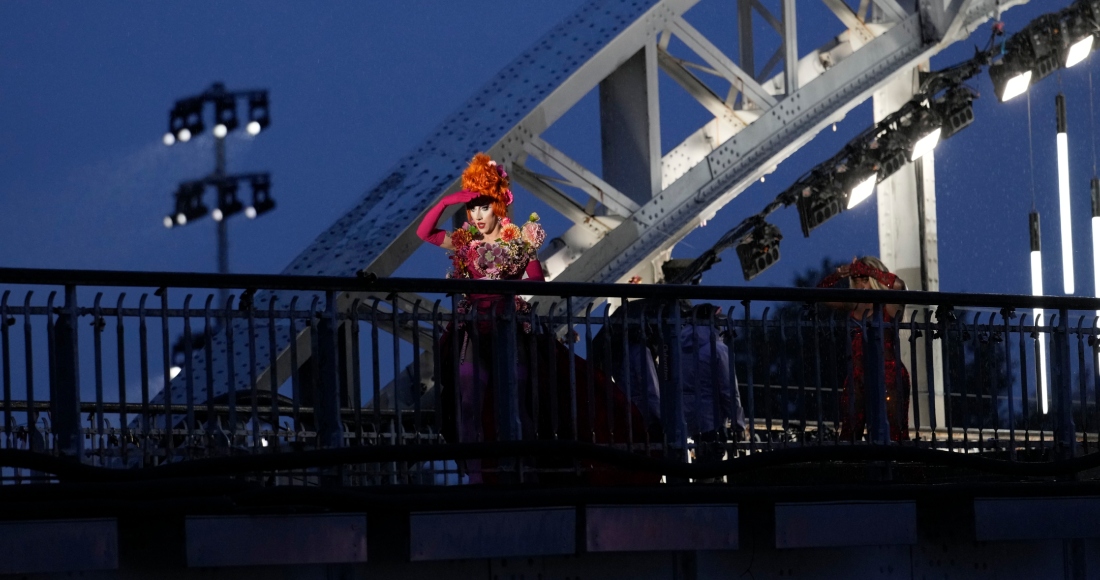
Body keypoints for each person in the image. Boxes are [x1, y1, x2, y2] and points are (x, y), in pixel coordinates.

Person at [417, 153, 649, 483]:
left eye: (484, 207)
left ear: (498, 206)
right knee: (470, 397)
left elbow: (536, 282)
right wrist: (449, 200)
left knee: (518, 396)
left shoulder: (518, 243)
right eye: (472, 208)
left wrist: (515, 268)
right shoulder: (466, 242)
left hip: (509, 328)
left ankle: (522, 469)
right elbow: (424, 232)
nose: (477, 215)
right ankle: (478, 474)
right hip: (474, 329)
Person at [816, 256, 910, 442]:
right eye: (856, 280)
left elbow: (899, 285)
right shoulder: (854, 303)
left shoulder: (889, 304)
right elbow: (819, 294)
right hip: (857, 376)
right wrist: (838, 275)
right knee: (850, 433)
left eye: (865, 279)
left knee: (893, 434)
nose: (860, 284)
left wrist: (868, 270)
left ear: (875, 280)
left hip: (888, 375)